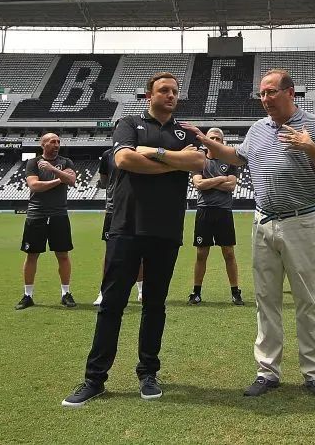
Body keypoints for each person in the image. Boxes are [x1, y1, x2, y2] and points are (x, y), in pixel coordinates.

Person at [185, 69, 315, 400]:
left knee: (306, 301)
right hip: (263, 223)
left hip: (301, 222)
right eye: (262, 94)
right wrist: (206, 141)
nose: (265, 99)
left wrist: (309, 148)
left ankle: (314, 373)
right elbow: (236, 156)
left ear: (290, 93)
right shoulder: (257, 130)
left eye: (271, 92)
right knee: (266, 300)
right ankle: (267, 370)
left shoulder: (313, 125)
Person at [62, 72, 205, 407]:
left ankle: (148, 373)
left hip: (166, 229)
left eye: (174, 91)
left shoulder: (184, 131)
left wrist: (153, 154)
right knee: (112, 305)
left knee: (154, 306)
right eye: (163, 90)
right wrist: (174, 161)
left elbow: (198, 161)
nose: (170, 95)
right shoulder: (127, 123)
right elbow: (124, 159)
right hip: (126, 226)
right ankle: (94, 379)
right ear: (148, 95)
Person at [15, 132, 78, 310]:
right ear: (43, 144)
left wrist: (54, 171)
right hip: (37, 215)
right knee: (32, 255)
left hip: (59, 215)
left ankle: (66, 293)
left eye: (58, 141)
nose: (57, 144)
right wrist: (60, 179)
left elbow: (72, 180)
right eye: (52, 141)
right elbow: (34, 186)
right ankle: (28, 295)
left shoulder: (66, 162)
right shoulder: (33, 163)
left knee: (63, 255)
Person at [189, 127, 244, 306]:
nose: (215, 141)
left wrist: (209, 182)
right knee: (201, 253)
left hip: (224, 212)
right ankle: (196, 292)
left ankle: (235, 292)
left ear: (222, 142)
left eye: (218, 139)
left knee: (228, 253)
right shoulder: (199, 160)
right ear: (206, 140)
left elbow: (231, 186)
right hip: (204, 211)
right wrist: (221, 179)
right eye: (211, 137)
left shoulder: (229, 160)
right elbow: (198, 184)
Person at [92, 147, 142, 307]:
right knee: (110, 252)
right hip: (114, 209)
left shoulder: (141, 150)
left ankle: (141, 290)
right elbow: (104, 181)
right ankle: (104, 291)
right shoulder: (107, 154)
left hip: (138, 209)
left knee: (140, 251)